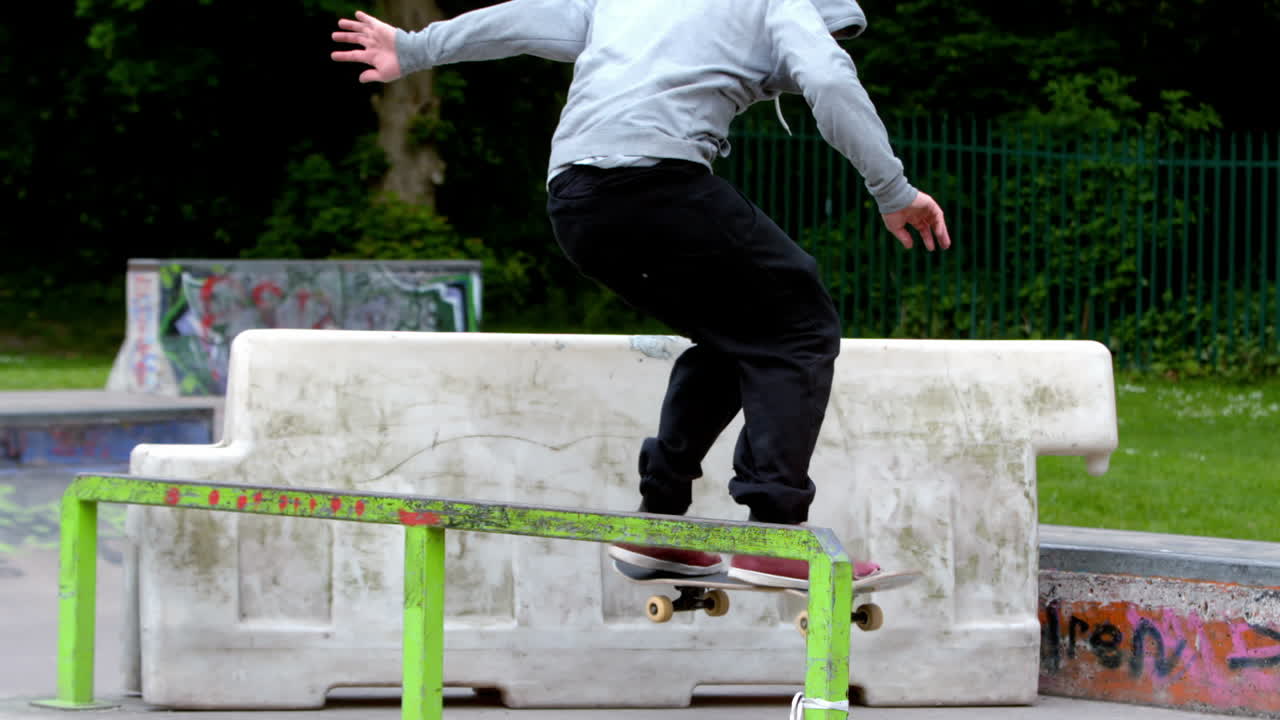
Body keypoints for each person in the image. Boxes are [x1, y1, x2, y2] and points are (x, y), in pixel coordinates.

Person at [333, 0, 951, 590]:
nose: (780, 82)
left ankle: (658, 522)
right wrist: (893, 190)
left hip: (577, 205)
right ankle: (776, 533)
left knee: (734, 334)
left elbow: (525, 22)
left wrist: (416, 48)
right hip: (656, 183)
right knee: (800, 326)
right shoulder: (779, 5)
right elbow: (827, 79)